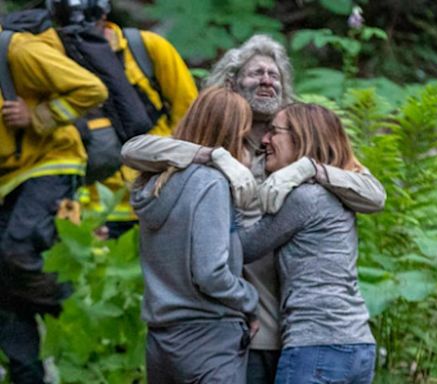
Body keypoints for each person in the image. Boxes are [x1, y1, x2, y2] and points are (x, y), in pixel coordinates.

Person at [122, 34, 385, 384]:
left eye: (274, 75)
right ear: (231, 82)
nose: (267, 80)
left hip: (301, 331)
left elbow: (374, 195)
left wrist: (309, 169)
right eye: (256, 73)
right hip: (242, 328)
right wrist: (212, 156)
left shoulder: (296, 146)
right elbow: (134, 151)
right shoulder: (214, 143)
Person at [0, 25, 107, 383]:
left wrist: (39, 115)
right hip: (8, 179)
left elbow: (91, 89)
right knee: (3, 281)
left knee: (17, 249)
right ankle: (27, 373)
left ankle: (75, 307)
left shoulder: (19, 51)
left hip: (51, 162)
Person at [240, 103, 376, 384]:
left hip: (316, 347)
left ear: (302, 138)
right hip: (357, 345)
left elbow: (245, 247)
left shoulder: (305, 197)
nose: (265, 140)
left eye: (274, 132)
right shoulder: (336, 191)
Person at [131, 86, 258, 384]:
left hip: (161, 341)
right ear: (230, 137)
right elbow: (210, 272)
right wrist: (249, 300)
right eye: (244, 138)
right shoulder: (211, 184)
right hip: (208, 340)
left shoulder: (156, 183)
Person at [47, 0, 198, 238]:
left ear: (105, 15)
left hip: (154, 198)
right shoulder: (52, 58)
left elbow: (190, 116)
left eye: (91, 25)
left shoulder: (146, 48)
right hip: (89, 208)